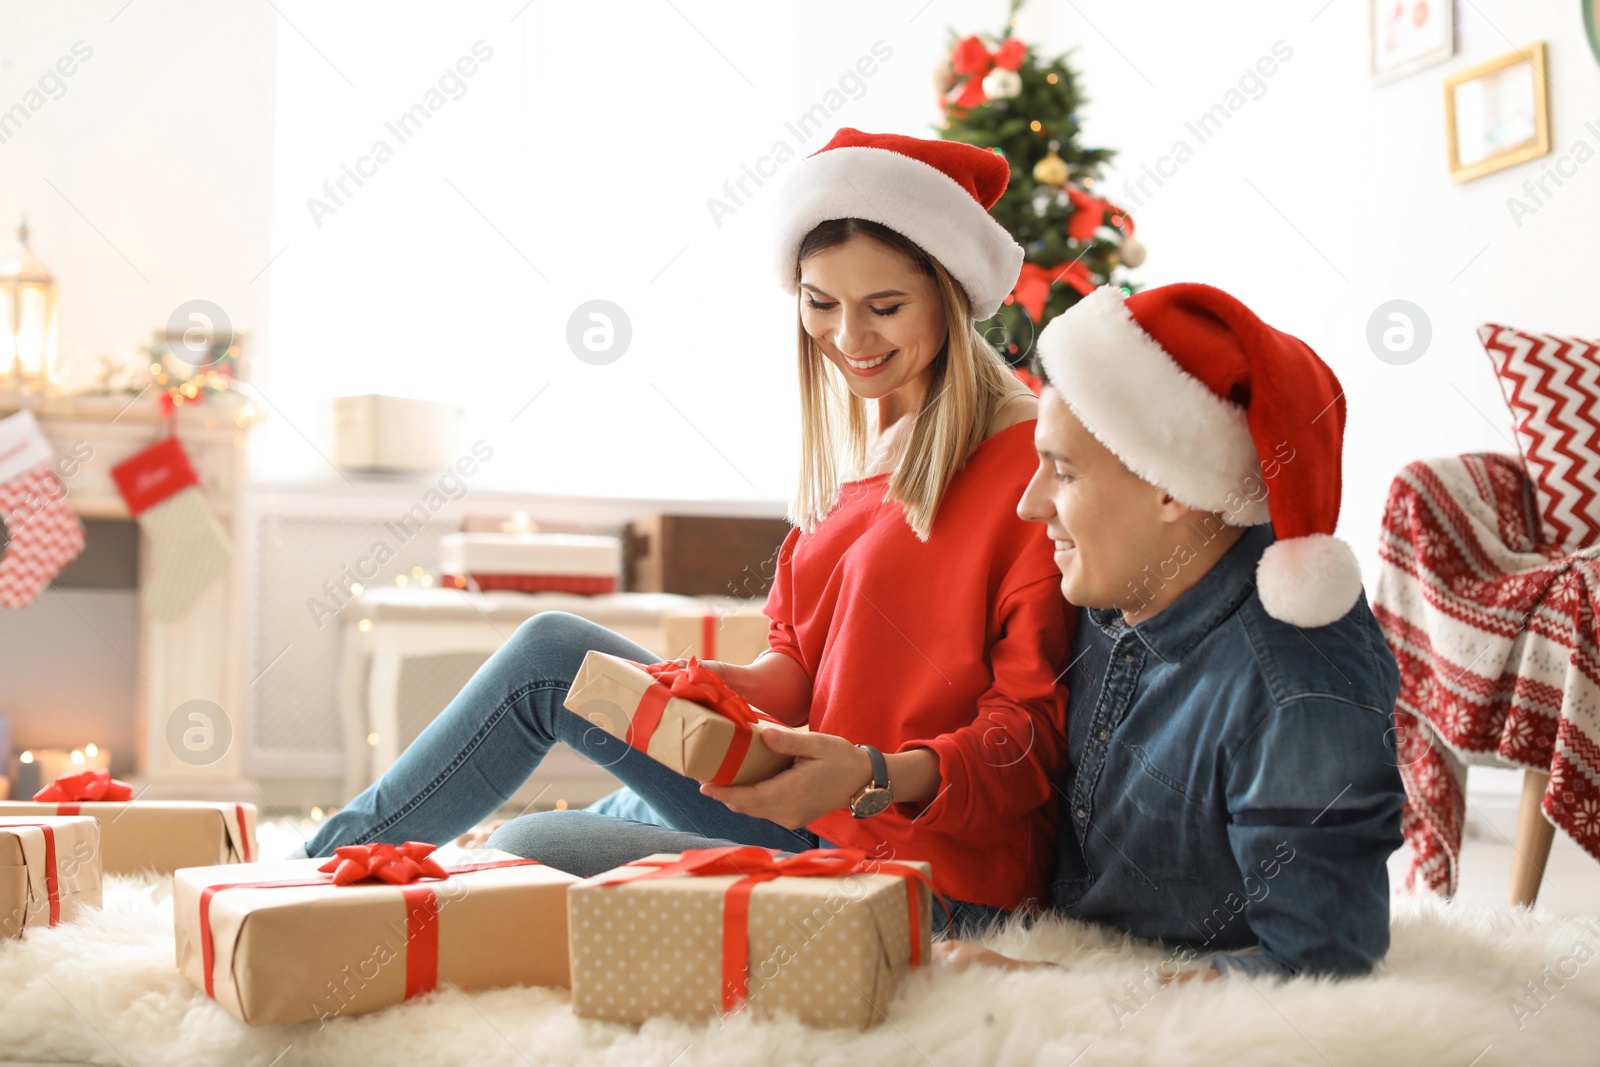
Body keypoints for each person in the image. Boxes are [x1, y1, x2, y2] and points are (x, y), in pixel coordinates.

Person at [298, 128, 1074, 936]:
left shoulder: (1024, 460)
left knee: (531, 835)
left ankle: (304, 879)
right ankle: (306, 879)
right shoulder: (866, 455)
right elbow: (800, 672)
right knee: (552, 692)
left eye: (885, 308)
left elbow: (1029, 739)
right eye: (821, 304)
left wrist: (871, 775)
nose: (849, 339)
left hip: (916, 874)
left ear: (949, 295)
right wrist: (706, 686)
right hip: (807, 815)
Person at [940, 282, 1406, 979]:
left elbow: (1322, 971)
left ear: (1172, 489)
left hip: (1123, 991)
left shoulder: (1297, 691)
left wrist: (1045, 983)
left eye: (1062, 473)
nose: (1030, 504)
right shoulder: (1117, 576)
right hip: (1022, 912)